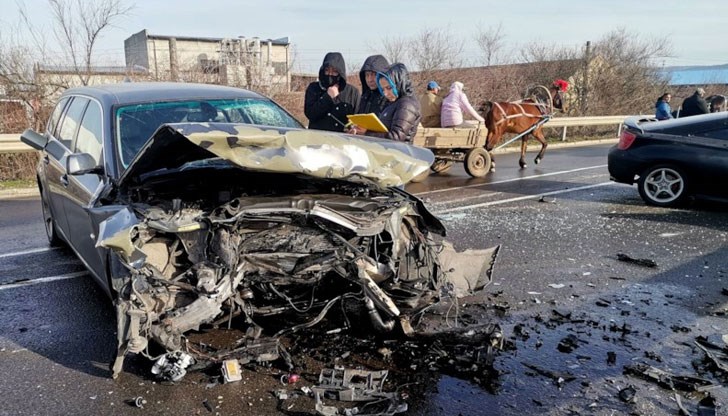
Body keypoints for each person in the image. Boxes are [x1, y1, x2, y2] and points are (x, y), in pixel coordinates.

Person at [351, 63, 421, 142]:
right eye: (383, 89)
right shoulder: (393, 102)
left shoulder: (407, 105)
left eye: (389, 88)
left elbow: (397, 137)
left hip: (398, 149)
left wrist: (366, 133)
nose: (385, 93)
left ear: (399, 83)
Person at [304, 52, 360, 132]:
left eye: (334, 71)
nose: (330, 74)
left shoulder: (352, 92)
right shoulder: (314, 88)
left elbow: (358, 118)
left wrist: (354, 128)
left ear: (340, 73)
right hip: (317, 137)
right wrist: (327, 98)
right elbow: (310, 114)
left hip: (343, 138)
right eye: (327, 71)